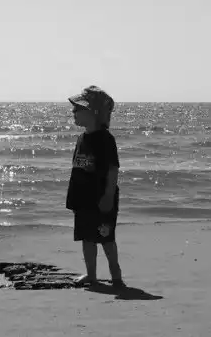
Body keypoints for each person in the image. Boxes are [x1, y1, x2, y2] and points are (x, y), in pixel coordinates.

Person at [65, 85, 125, 288]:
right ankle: (91, 275)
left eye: (78, 109)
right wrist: (73, 198)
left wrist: (108, 195)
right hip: (83, 197)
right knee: (86, 237)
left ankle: (116, 275)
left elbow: (112, 169)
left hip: (101, 198)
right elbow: (77, 168)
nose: (73, 112)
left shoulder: (106, 140)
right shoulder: (82, 138)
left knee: (106, 237)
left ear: (93, 113)